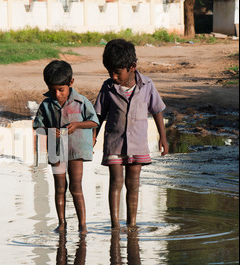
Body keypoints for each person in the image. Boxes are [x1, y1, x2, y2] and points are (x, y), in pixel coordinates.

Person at [94, 39, 169, 229]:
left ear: (132, 67)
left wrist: (163, 137)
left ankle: (132, 224)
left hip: (138, 145)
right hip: (114, 143)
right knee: (116, 182)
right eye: (109, 72)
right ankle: (114, 225)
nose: (113, 76)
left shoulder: (147, 85)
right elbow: (99, 115)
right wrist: (92, 137)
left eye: (117, 72)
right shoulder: (107, 88)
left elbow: (157, 110)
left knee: (133, 184)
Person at [33, 60, 99, 233]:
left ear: (71, 83)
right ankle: (62, 223)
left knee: (76, 187)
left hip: (76, 149)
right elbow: (37, 126)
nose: (57, 94)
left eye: (61, 90)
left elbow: (94, 121)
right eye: (53, 89)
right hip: (56, 149)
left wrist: (77, 125)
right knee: (59, 187)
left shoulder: (82, 101)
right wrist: (48, 130)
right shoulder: (46, 104)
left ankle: (82, 225)